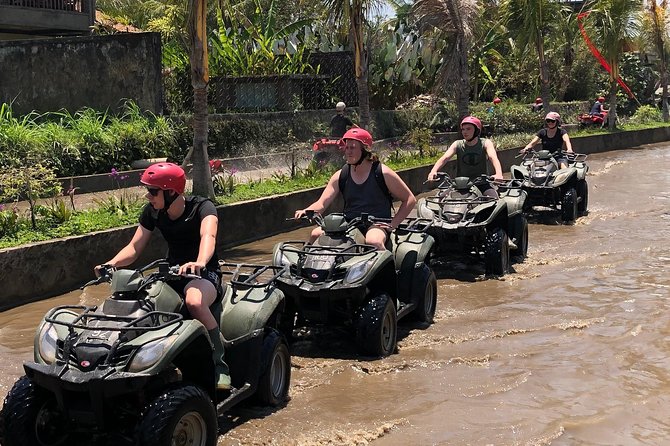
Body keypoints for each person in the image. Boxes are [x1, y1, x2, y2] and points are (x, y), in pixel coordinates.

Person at [95, 163, 230, 390]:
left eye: (153, 191)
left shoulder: (202, 207)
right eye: (148, 190)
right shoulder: (153, 212)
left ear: (171, 192)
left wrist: (199, 262)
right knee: (139, 305)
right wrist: (111, 263)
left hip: (204, 273)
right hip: (171, 273)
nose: (148, 196)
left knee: (194, 301)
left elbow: (209, 235)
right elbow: (134, 247)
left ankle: (219, 364)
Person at [295, 128, 416, 250]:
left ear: (365, 150)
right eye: (346, 148)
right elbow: (322, 203)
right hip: (348, 224)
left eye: (352, 148)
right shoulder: (341, 174)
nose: (348, 152)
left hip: (377, 224)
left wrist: (392, 224)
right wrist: (306, 211)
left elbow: (410, 199)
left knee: (373, 241)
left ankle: (388, 267)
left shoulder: (383, 172)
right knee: (315, 234)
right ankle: (304, 264)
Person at [427, 116, 504, 197]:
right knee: (439, 199)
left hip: (482, 183)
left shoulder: (485, 143)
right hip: (460, 184)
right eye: (463, 129)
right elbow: (444, 158)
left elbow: (493, 158)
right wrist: (433, 171)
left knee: (494, 198)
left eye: (468, 129)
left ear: (477, 130)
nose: (465, 132)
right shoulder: (457, 144)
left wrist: (499, 173)